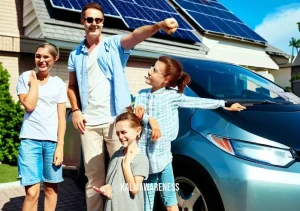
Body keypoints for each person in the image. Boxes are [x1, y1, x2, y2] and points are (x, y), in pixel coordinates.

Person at [67, 2, 178, 210]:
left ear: (102, 22)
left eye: (98, 20)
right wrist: (75, 110)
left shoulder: (113, 46)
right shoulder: (75, 55)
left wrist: (159, 25)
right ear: (82, 22)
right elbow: (72, 86)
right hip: (89, 124)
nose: (94, 23)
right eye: (89, 19)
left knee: (123, 174)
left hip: (116, 122)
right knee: (94, 180)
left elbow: (136, 35)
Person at [134, 56, 246, 211]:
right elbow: (136, 114)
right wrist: (150, 119)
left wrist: (225, 105)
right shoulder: (141, 94)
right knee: (146, 202)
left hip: (164, 159)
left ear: (166, 79)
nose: (149, 71)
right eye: (152, 67)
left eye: (154, 70)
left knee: (170, 202)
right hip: (146, 162)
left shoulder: (172, 97)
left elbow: (199, 102)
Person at [17, 43, 66, 211]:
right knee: (32, 192)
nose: (41, 60)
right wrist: (35, 84)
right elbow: (29, 106)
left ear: (54, 59)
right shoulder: (25, 77)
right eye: (38, 56)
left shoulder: (59, 83)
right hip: (30, 141)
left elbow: (61, 118)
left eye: (46, 57)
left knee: (51, 190)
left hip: (52, 143)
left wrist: (60, 146)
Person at [93, 109, 149, 211]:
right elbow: (115, 181)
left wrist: (126, 165)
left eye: (123, 132)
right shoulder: (116, 155)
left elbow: (134, 189)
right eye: (118, 133)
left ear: (138, 130)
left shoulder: (141, 159)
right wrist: (108, 188)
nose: (120, 137)